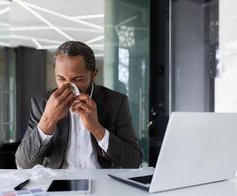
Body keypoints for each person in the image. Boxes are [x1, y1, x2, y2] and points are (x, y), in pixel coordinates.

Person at [15, 41, 142, 169]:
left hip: (102, 182)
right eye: (61, 79)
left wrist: (98, 130)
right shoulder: (42, 103)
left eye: (78, 79)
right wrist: (48, 120)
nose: (69, 86)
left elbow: (133, 161)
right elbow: (24, 164)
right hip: (58, 183)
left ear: (93, 74)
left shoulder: (116, 103)